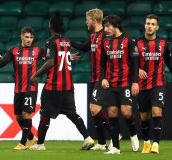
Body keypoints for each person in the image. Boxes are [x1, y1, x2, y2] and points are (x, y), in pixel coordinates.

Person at [29, 12, 94, 150]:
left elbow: (51, 61)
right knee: (72, 113)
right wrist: (69, 57)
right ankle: (88, 138)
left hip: (53, 85)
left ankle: (40, 144)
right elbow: (62, 58)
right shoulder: (66, 41)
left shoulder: (50, 41)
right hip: (68, 86)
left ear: (50, 26)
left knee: (45, 114)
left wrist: (35, 75)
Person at [0, 26, 45, 150]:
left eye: (31, 37)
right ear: (21, 36)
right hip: (18, 89)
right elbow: (1, 64)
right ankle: (32, 138)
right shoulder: (14, 50)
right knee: (18, 117)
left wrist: (66, 56)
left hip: (31, 88)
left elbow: (52, 58)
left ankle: (23, 143)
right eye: (27, 37)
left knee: (26, 115)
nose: (29, 40)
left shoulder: (38, 50)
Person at [70, 8, 111, 151]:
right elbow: (83, 47)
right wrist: (67, 42)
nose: (86, 22)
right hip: (93, 78)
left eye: (87, 19)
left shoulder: (106, 36)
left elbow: (111, 58)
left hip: (102, 78)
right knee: (94, 111)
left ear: (94, 20)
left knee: (94, 108)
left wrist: (107, 77)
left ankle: (114, 132)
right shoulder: (93, 36)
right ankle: (101, 143)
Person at [101, 15, 139, 154]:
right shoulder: (105, 42)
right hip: (111, 83)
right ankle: (116, 147)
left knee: (126, 112)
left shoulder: (129, 41)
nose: (105, 30)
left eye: (107, 26)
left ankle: (133, 134)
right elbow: (102, 63)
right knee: (112, 113)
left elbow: (135, 64)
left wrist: (135, 82)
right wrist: (103, 78)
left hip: (125, 83)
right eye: (104, 27)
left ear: (115, 25)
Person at [136, 14, 172, 154]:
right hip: (142, 85)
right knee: (144, 117)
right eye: (148, 23)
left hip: (158, 84)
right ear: (145, 25)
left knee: (157, 112)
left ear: (157, 27)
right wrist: (137, 69)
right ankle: (146, 143)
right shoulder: (137, 43)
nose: (150, 26)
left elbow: (169, 62)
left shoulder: (164, 44)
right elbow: (130, 63)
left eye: (152, 24)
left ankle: (156, 144)